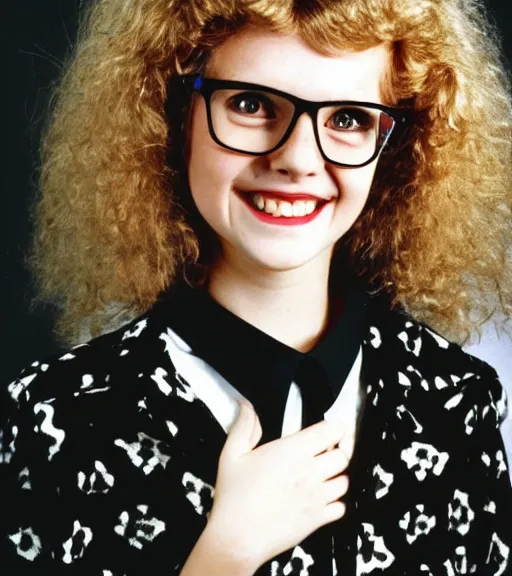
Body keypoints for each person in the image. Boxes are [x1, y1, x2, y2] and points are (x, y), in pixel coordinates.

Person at [1, 0, 511, 574]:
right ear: (174, 114)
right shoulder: (60, 415)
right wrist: (223, 557)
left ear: (395, 149)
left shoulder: (456, 399)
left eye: (348, 119)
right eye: (250, 104)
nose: (296, 159)